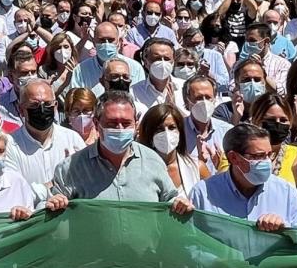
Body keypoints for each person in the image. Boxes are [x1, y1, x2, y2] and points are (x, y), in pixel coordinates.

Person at [50, 91, 194, 214]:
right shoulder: (70, 168)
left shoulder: (153, 161)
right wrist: (54, 203)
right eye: (112, 123)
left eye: (126, 123)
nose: (119, 128)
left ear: (136, 124)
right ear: (96, 123)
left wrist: (179, 204)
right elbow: (53, 213)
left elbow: (169, 200)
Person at [189, 123, 297, 231]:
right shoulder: (203, 193)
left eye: (269, 155)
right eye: (259, 156)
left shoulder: (286, 191)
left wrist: (285, 228)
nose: (266, 161)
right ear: (233, 158)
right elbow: (191, 241)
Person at [4, 79, 86, 203]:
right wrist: (55, 183)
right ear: (21, 110)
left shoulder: (72, 139)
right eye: (34, 105)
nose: (42, 109)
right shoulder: (9, 145)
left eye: (47, 104)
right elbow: (14, 194)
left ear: (56, 106)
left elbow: (87, 179)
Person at [137, 103, 208, 197]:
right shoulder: (137, 170)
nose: (166, 134)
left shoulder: (197, 168)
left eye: (172, 128)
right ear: (149, 134)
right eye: (159, 129)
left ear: (180, 131)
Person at [70, 22, 146, 93]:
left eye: (111, 40)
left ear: (118, 42)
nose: (106, 44)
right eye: (102, 40)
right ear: (94, 42)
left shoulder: (135, 68)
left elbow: (139, 96)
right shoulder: (80, 70)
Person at [131, 38, 187, 115]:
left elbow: (193, 123)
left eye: (167, 59)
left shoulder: (186, 87)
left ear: (173, 62)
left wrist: (173, 108)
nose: (162, 63)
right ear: (146, 62)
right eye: (157, 59)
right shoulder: (134, 92)